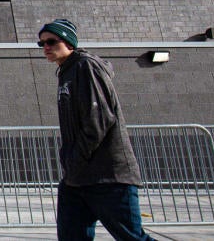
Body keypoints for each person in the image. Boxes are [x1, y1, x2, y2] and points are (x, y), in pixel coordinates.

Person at [38, 18, 155, 241]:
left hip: (108, 176)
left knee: (132, 237)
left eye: (51, 41)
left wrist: (75, 158)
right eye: (41, 43)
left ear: (69, 42)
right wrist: (72, 166)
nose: (45, 48)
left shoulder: (86, 66)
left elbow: (99, 118)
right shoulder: (66, 71)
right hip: (77, 179)